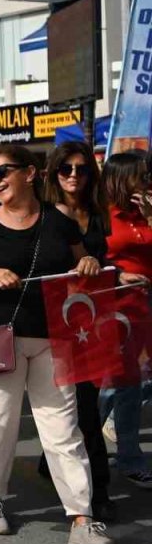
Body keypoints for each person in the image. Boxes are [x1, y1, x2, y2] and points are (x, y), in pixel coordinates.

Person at [0, 145, 114, 544]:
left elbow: (83, 263)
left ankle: (82, 517)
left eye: (2, 171)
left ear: (29, 173)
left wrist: (89, 265)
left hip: (53, 338)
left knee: (62, 429)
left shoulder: (58, 220)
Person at [40, 143, 115, 519]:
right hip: (54, 323)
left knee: (85, 399)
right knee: (80, 405)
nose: (73, 175)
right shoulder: (44, 215)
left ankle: (49, 459)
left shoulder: (99, 213)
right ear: (53, 173)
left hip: (94, 320)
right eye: (65, 169)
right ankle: (98, 487)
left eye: (82, 169)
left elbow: (107, 261)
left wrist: (120, 272)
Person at [99, 153, 152, 491]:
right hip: (119, 307)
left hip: (147, 304)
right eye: (142, 175)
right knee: (119, 383)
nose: (147, 180)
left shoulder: (144, 212)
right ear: (122, 178)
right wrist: (118, 275)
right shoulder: (102, 215)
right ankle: (129, 456)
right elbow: (89, 256)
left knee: (131, 384)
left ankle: (120, 438)